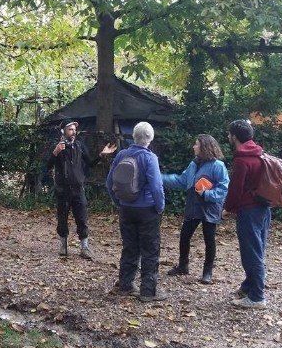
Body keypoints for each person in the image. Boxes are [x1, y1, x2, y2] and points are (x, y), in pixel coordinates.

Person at [106, 121, 166, 302]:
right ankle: (148, 291)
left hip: (126, 208)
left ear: (133, 136)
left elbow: (109, 182)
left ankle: (125, 284)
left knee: (129, 246)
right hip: (147, 210)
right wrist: (160, 207)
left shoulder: (121, 155)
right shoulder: (150, 158)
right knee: (150, 249)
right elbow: (156, 186)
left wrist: (118, 200)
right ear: (151, 138)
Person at [162, 134, 229, 284]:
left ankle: (207, 273)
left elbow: (224, 188)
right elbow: (181, 180)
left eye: (196, 144)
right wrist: (158, 178)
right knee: (185, 236)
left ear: (204, 147)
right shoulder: (193, 164)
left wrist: (206, 194)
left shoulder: (218, 166)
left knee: (209, 239)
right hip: (193, 205)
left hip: (210, 207)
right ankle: (183, 266)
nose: (194, 146)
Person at [47, 119, 117, 261]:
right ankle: (63, 246)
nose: (73, 132)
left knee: (82, 218)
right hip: (62, 190)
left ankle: (84, 248)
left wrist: (101, 155)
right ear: (63, 132)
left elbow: (90, 163)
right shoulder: (58, 147)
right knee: (62, 219)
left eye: (74, 130)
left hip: (78, 190)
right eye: (70, 130)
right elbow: (47, 166)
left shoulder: (80, 146)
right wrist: (55, 152)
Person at [224, 120, 270, 309]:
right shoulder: (260, 154)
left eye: (229, 134)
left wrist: (227, 208)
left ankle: (257, 297)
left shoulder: (242, 159)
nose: (228, 137)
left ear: (234, 137)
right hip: (264, 208)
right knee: (257, 250)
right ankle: (249, 286)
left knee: (251, 253)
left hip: (249, 210)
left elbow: (236, 189)